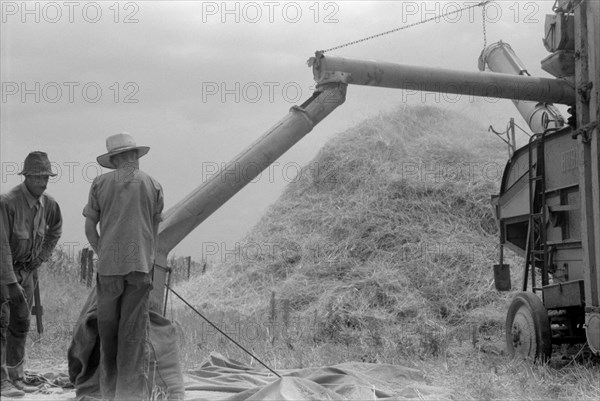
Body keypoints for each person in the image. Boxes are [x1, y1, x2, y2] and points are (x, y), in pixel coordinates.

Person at [83, 133, 163, 401]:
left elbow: (89, 226)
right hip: (140, 268)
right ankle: (129, 396)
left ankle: (108, 394)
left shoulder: (100, 184)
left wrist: (102, 251)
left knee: (109, 334)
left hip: (109, 270)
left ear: (115, 159)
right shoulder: (153, 184)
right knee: (133, 336)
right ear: (134, 157)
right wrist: (148, 255)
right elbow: (154, 227)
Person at [0, 151, 62, 397]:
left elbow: (55, 230)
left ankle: (16, 375)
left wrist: (39, 260)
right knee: (1, 324)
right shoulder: (7, 203)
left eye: (46, 177)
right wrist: (11, 283)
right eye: (37, 177)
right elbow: (1, 246)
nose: (43, 182)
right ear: (26, 177)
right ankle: (1, 380)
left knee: (21, 323)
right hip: (4, 274)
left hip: (26, 272)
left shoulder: (49, 204)